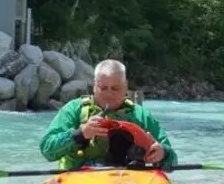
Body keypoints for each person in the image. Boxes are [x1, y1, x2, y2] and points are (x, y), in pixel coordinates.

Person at [39, 59, 178, 171]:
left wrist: (163, 154)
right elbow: (47, 149)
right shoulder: (74, 109)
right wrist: (80, 134)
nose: (109, 94)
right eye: (103, 88)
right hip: (80, 179)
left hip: (127, 180)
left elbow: (173, 160)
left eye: (116, 88)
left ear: (126, 86)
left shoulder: (141, 115)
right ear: (94, 86)